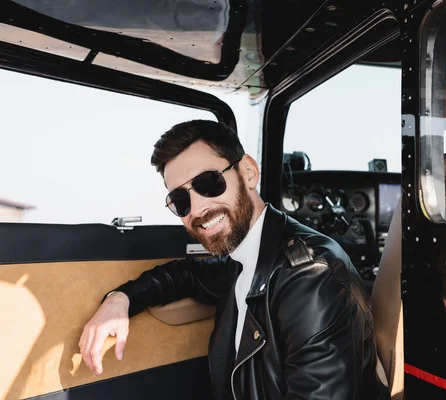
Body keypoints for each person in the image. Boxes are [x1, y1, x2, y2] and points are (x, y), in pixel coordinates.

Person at [78, 120, 387, 399]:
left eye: (208, 183)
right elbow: (187, 274)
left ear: (248, 173)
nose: (197, 208)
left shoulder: (310, 277)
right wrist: (121, 299)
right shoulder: (245, 259)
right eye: (181, 200)